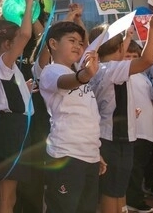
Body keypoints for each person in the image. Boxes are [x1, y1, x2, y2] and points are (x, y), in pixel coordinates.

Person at [90, 12, 153, 213]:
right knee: (112, 191)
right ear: (119, 48)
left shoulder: (100, 68)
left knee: (118, 189)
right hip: (114, 137)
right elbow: (148, 59)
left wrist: (128, 36)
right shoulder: (113, 68)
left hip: (113, 135)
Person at [39, 21, 105, 213]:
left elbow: (86, 117)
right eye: (71, 40)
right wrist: (84, 75)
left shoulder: (76, 72)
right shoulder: (51, 71)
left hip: (89, 156)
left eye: (80, 42)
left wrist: (95, 151)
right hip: (66, 155)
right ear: (53, 43)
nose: (78, 46)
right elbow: (64, 82)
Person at [0, 0, 37, 213]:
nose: (21, 44)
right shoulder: (2, 63)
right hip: (9, 129)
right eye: (15, 42)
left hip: (15, 128)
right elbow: (25, 35)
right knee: (6, 193)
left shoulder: (5, 68)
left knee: (9, 191)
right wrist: (29, 4)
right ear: (7, 45)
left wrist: (24, 90)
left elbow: (4, 96)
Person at [124, 40, 153, 213]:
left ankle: (135, 195)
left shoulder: (143, 77)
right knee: (134, 167)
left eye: (134, 56)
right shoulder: (123, 74)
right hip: (133, 129)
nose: (131, 59)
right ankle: (133, 199)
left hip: (147, 130)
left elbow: (151, 103)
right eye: (127, 56)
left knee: (141, 165)